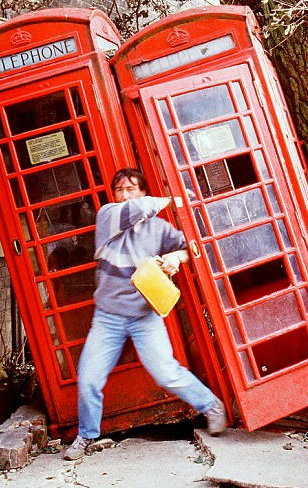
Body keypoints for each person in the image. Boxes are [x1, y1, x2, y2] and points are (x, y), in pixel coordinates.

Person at [63, 167, 227, 460]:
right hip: (108, 317)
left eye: (131, 189)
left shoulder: (159, 230)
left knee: (166, 372)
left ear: (143, 191)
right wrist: (172, 199)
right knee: (88, 378)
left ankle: (210, 404)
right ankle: (86, 436)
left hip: (145, 316)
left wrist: (177, 257)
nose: (124, 196)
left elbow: (192, 248)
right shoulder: (108, 217)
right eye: (119, 190)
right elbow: (136, 210)